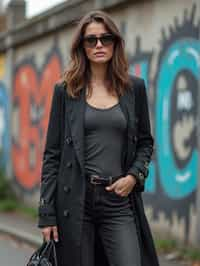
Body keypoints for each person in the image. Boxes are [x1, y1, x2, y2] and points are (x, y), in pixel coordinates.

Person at [38, 10, 160, 266]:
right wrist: (47, 212)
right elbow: (52, 154)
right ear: (81, 46)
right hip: (75, 202)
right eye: (91, 40)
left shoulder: (133, 88)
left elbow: (145, 143)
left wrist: (133, 176)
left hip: (118, 202)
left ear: (115, 42)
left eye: (106, 38)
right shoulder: (66, 90)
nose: (99, 45)